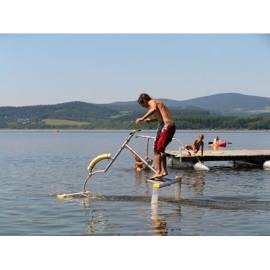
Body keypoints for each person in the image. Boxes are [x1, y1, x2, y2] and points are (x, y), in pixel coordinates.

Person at [135, 93, 176, 179]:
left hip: (166, 126)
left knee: (158, 150)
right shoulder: (159, 103)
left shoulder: (152, 102)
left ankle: (159, 172)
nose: (144, 107)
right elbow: (160, 117)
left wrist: (142, 118)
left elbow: (153, 109)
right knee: (159, 149)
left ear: (145, 100)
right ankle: (163, 171)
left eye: (143, 105)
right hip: (168, 125)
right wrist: (150, 120)